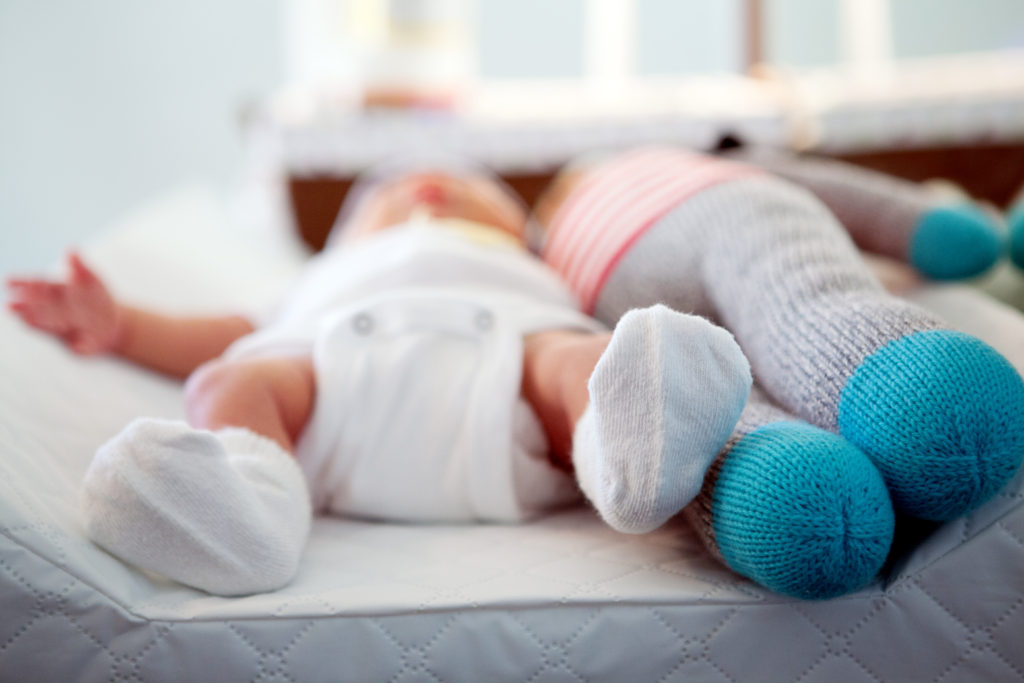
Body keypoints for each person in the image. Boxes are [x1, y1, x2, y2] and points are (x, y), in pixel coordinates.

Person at [6, 166, 752, 596]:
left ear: (519, 235)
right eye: (388, 194)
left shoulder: (534, 273)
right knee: (228, 381)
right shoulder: (311, 284)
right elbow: (210, 335)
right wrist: (122, 325)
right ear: (339, 241)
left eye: (472, 192)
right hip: (329, 391)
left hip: (507, 373)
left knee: (574, 363)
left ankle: (628, 447)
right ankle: (248, 512)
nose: (429, 188)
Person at [532, 146, 1024, 599]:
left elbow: (848, 195)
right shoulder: (535, 264)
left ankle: (783, 470)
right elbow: (839, 190)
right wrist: (930, 224)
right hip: (701, 240)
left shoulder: (680, 163)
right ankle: (793, 470)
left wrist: (929, 224)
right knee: (784, 316)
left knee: (720, 376)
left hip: (696, 230)